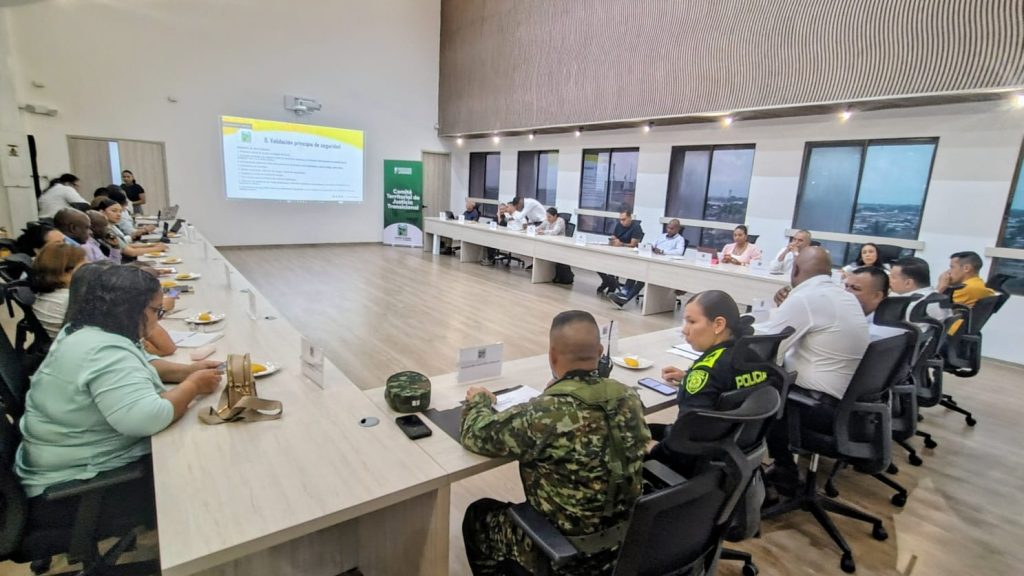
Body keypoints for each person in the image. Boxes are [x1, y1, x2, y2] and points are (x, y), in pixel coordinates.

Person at [14, 264, 222, 533]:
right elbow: (147, 419)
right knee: (207, 467)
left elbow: (144, 364)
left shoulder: (84, 330)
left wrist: (186, 371)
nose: (158, 318)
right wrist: (193, 386)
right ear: (131, 309)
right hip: (76, 487)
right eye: (156, 310)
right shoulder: (104, 351)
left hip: (58, 460)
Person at [461, 310, 650, 575]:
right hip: (628, 544)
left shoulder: (545, 412)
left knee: (478, 517)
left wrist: (479, 400)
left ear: (551, 356)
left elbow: (475, 433)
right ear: (599, 351)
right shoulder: (629, 398)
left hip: (566, 556)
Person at [754, 247, 869, 489]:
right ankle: (780, 466)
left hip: (816, 406)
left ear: (794, 269)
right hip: (848, 404)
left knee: (754, 387)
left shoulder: (806, 298)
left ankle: (774, 471)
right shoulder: (843, 295)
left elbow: (767, 347)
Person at [649, 290, 768, 474]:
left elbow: (687, 440)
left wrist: (653, 451)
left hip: (694, 466)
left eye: (692, 321)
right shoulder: (753, 355)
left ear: (719, 324)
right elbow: (727, 384)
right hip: (732, 455)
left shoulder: (705, 371)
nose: (684, 329)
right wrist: (688, 378)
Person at [608, 218, 684, 308]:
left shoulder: (680, 240)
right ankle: (623, 293)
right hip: (653, 260)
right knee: (635, 271)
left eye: (672, 229)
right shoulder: (662, 236)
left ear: (677, 229)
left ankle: (625, 299)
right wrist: (650, 247)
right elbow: (652, 245)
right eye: (668, 228)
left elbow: (679, 252)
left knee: (643, 277)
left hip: (663, 266)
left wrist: (663, 251)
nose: (669, 230)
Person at [30, 242, 87, 338]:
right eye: (84, 269)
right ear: (63, 273)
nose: (88, 273)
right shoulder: (69, 300)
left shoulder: (46, 295)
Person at [96, 198, 166, 261]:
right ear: (102, 212)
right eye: (114, 211)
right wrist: (157, 249)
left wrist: (152, 245)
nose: (118, 214)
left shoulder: (112, 226)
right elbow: (131, 252)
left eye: (120, 211)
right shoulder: (106, 230)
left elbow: (126, 245)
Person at [844, 266, 903, 340]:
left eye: (855, 288)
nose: (845, 292)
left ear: (877, 296)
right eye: (846, 286)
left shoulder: (875, 334)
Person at [596, 205, 644, 296]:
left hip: (628, 254)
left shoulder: (636, 227)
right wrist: (612, 240)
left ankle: (611, 283)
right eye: (620, 219)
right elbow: (614, 236)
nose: (622, 222)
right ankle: (609, 281)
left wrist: (621, 244)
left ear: (630, 217)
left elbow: (633, 245)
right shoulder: (619, 225)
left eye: (624, 219)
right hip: (616, 251)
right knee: (597, 262)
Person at [889, 256, 949, 322]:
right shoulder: (935, 298)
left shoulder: (910, 306)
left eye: (893, 277)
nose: (889, 280)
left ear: (908, 283)